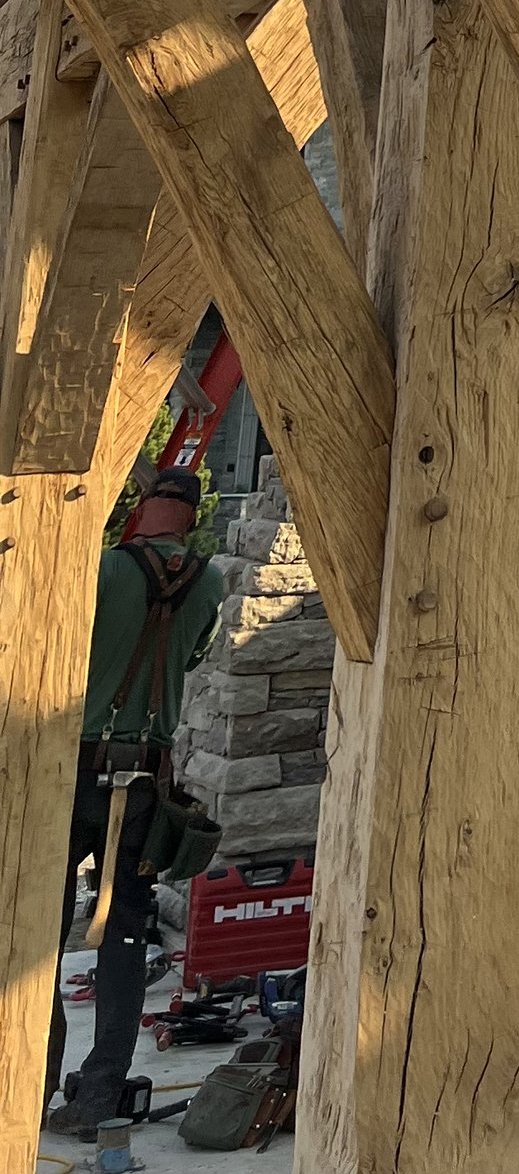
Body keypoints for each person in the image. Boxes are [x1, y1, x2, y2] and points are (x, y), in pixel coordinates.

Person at [45, 464, 224, 1139]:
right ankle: (97, 1096)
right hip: (145, 786)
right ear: (193, 513)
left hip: (75, 771)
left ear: (148, 505)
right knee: (123, 940)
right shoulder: (209, 580)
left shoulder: (107, 571)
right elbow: (195, 656)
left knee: (40, 934)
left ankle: (32, 1081)